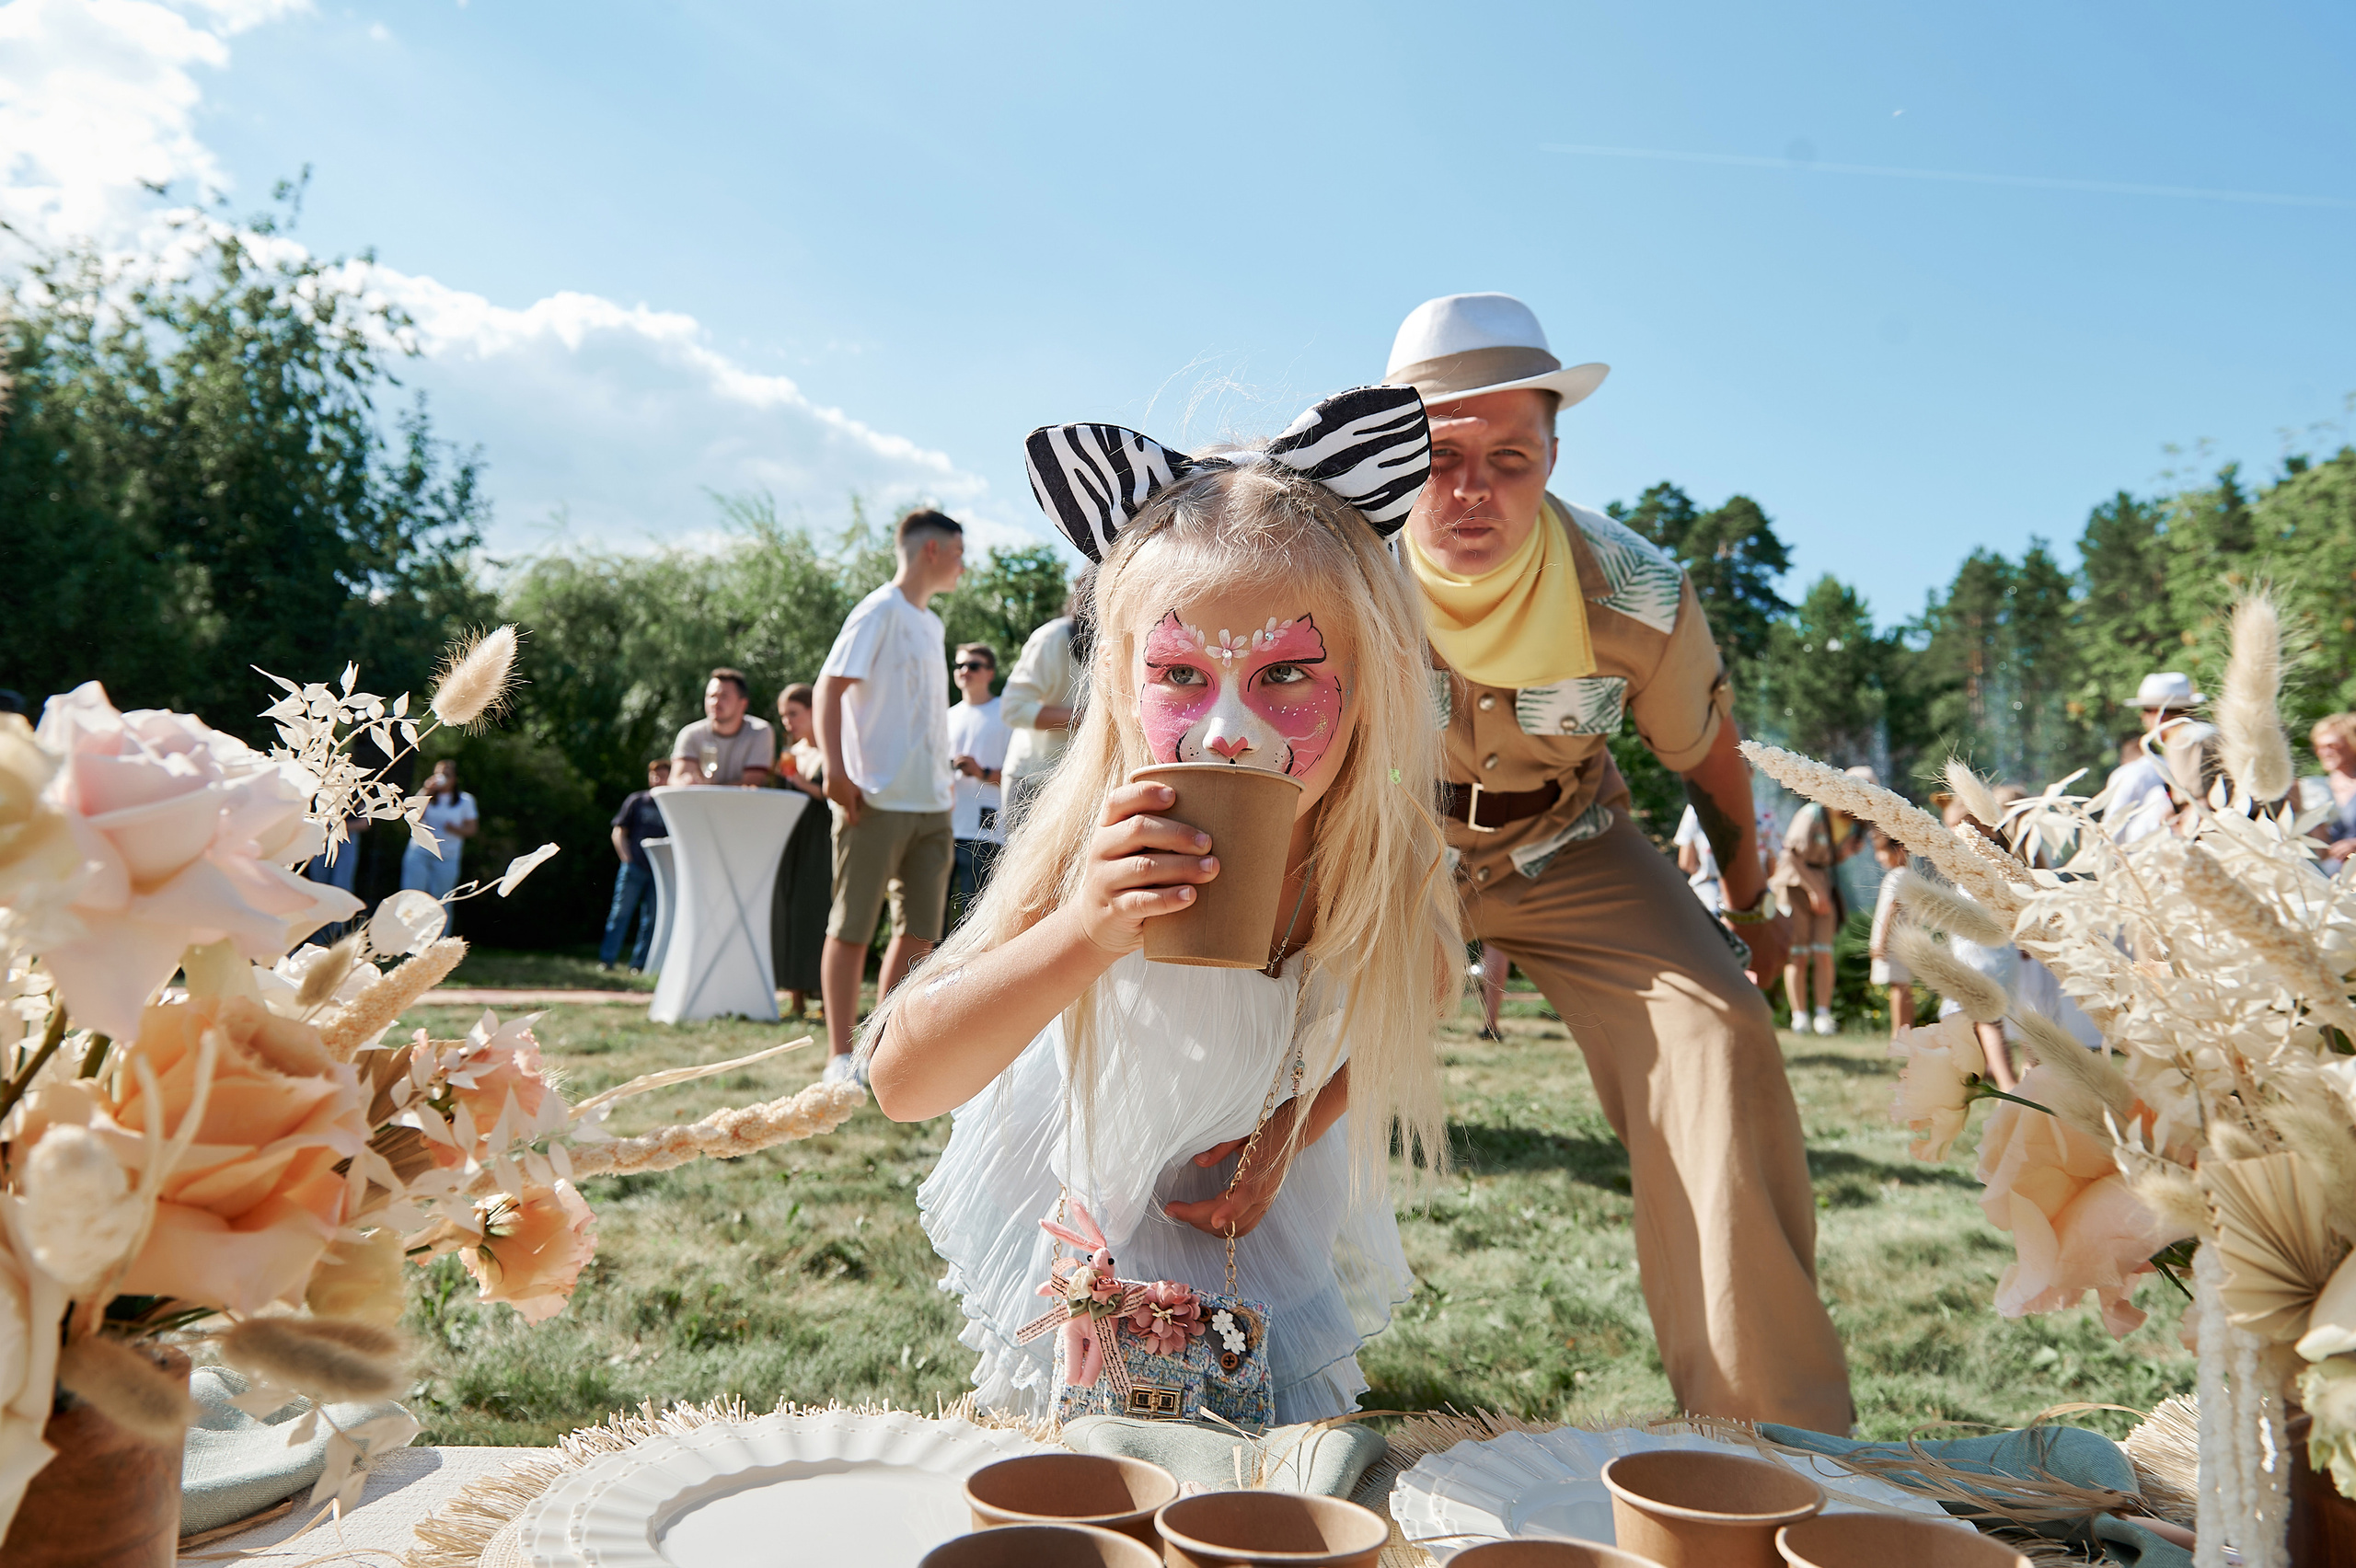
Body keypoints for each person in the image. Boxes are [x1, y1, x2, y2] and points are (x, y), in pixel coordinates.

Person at [868, 386, 1451, 1424]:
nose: (1229, 729)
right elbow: (905, 1078)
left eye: (1285, 675)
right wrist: (1085, 929)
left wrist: (1288, 1135)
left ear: (1370, 684)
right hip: (1085, 1200)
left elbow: (1427, 987)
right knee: (1088, 1473)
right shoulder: (1091, 839)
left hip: (1243, 1214)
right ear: (1121, 687)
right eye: (1181, 672)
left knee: (1262, 1469)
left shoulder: (1377, 854)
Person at [1381, 292, 1845, 1431]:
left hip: (1564, 840)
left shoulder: (1635, 589)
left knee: (1719, 1035)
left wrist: (1755, 910)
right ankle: (1198, 1354)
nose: (1473, 491)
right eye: (1440, 457)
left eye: (1511, 458)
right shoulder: (1335, 564)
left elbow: (1712, 760)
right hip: (1387, 844)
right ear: (1392, 452)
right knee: (1252, 1024)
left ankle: (1767, 1438)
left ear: (1553, 455)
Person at [814, 509, 965, 1081]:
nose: (962, 565)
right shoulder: (877, 611)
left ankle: (877, 1051)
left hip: (931, 804)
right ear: (932, 550)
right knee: (852, 926)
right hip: (873, 799)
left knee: (922, 930)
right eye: (958, 552)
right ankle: (838, 1057)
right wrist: (836, 771)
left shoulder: (930, 623)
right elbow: (829, 689)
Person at [1772, 775, 1873, 1037]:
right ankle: (1799, 1017)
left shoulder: (1852, 823)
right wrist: (1814, 891)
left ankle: (1823, 1016)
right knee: (1799, 953)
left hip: (1822, 883)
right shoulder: (1813, 813)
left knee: (1823, 952)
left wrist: (1847, 852)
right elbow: (1789, 855)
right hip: (1796, 885)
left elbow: (1829, 857)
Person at [998, 570, 1092, 824]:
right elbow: (1013, 709)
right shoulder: (1051, 637)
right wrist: (1088, 720)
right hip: (1033, 781)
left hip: (1082, 783)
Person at [771, 684, 830, 1018]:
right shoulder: (791, 752)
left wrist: (798, 782)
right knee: (791, 910)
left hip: (822, 839)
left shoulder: (833, 748)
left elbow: (829, 794)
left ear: (812, 711)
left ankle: (825, 998)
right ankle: (795, 998)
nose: (788, 722)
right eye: (783, 716)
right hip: (792, 838)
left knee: (821, 911)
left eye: (794, 713)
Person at [946, 642, 1011, 928]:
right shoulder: (946, 717)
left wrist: (981, 771)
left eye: (973, 665)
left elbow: (1020, 775)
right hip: (944, 827)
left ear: (990, 673)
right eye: (959, 665)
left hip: (986, 830)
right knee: (936, 917)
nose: (964, 671)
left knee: (974, 917)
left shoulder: (1006, 714)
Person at [2103, 672, 2204, 846]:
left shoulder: (2182, 740)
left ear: (2159, 713)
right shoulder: (2204, 733)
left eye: (2145, 711)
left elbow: (2199, 802)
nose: (2143, 719)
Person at [598, 759, 669, 973]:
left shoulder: (673, 804)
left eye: (663, 775)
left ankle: (639, 965)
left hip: (660, 873)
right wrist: (627, 858)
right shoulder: (637, 801)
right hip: (634, 868)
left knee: (653, 919)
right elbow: (618, 831)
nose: (657, 779)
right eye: (654, 775)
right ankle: (607, 961)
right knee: (620, 914)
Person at [670, 668, 776, 788]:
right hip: (700, 806)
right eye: (711, 696)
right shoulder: (690, 733)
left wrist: (708, 791)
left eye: (724, 696)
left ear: (743, 704)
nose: (715, 702)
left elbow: (752, 783)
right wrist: (685, 781)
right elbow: (676, 779)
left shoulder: (760, 732)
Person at [401, 759, 478, 900]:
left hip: (447, 857)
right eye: (439, 774)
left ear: (454, 779)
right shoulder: (426, 794)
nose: (442, 778)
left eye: (447, 775)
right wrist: (426, 790)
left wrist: (455, 829)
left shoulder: (465, 801)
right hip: (420, 852)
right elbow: (411, 816)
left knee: (442, 900)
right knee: (411, 897)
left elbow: (472, 829)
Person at [1865, 829, 1913, 1035]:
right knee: (1904, 986)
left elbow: (1892, 910)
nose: (1878, 857)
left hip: (1893, 942)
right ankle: (1906, 1030)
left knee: (1898, 987)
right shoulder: (1908, 875)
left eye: (1882, 851)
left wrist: (1881, 942)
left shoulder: (1899, 876)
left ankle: (1899, 1032)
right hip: (1904, 941)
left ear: (1900, 849)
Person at [2303, 712, 2356, 873]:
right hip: (2326, 879)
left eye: (2332, 745)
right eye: (2319, 747)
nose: (2324, 752)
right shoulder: (2313, 787)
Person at [1671, 802, 1721, 913]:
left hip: (1706, 889)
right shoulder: (1758, 806)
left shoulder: (1696, 808)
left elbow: (1686, 863)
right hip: (1751, 894)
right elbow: (1768, 869)